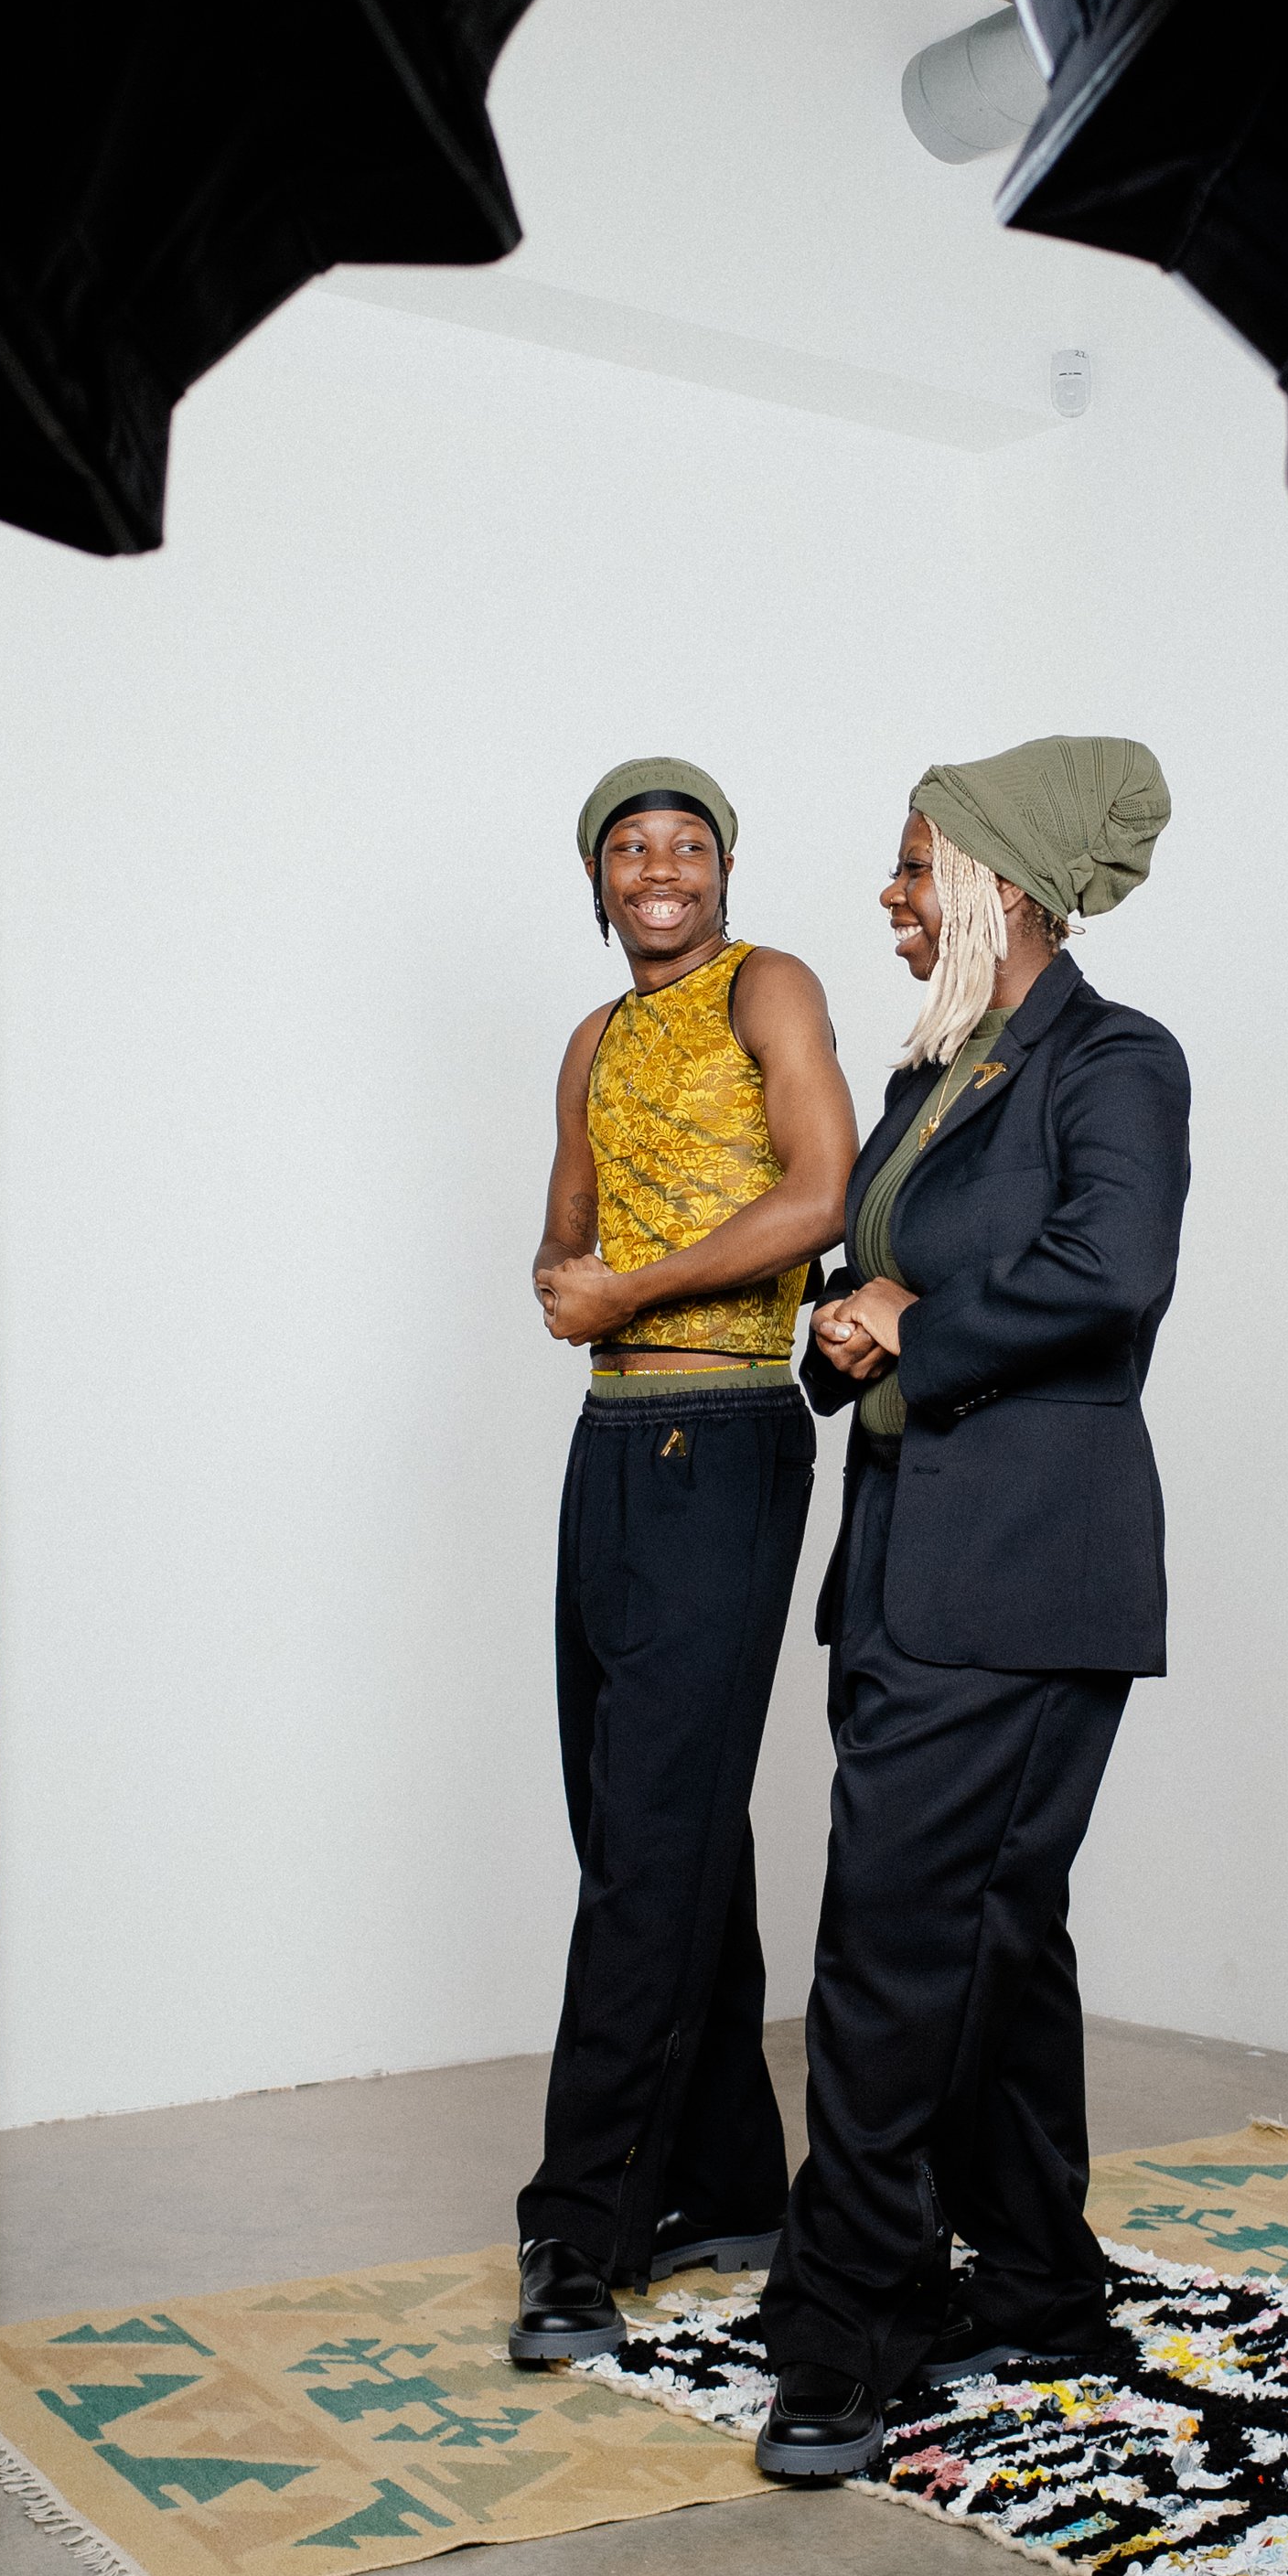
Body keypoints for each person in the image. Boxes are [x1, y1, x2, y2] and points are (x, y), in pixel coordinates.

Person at [752, 735, 1188, 2478]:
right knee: (994, 1940)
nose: (889, 887)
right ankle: (1040, 2285)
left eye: (915, 860)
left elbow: (1114, 1267)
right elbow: (878, 1277)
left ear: (997, 885)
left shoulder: (1115, 1059)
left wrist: (912, 1317)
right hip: (912, 1567)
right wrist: (860, 1312)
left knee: (889, 1948)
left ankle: (846, 2328)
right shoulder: (950, 1070)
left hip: (1024, 1574)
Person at [510, 757, 858, 2368]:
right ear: (598, 884)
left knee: (650, 1837)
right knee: (639, 1817)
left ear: (725, 872)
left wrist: (631, 1285)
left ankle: (575, 2230)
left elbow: (820, 1191)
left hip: (722, 1441)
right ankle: (726, 2180)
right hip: (606, 1446)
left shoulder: (764, 988)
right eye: (631, 849)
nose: (662, 867)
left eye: (690, 844)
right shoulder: (590, 1039)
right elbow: (564, 1226)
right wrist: (563, 1274)